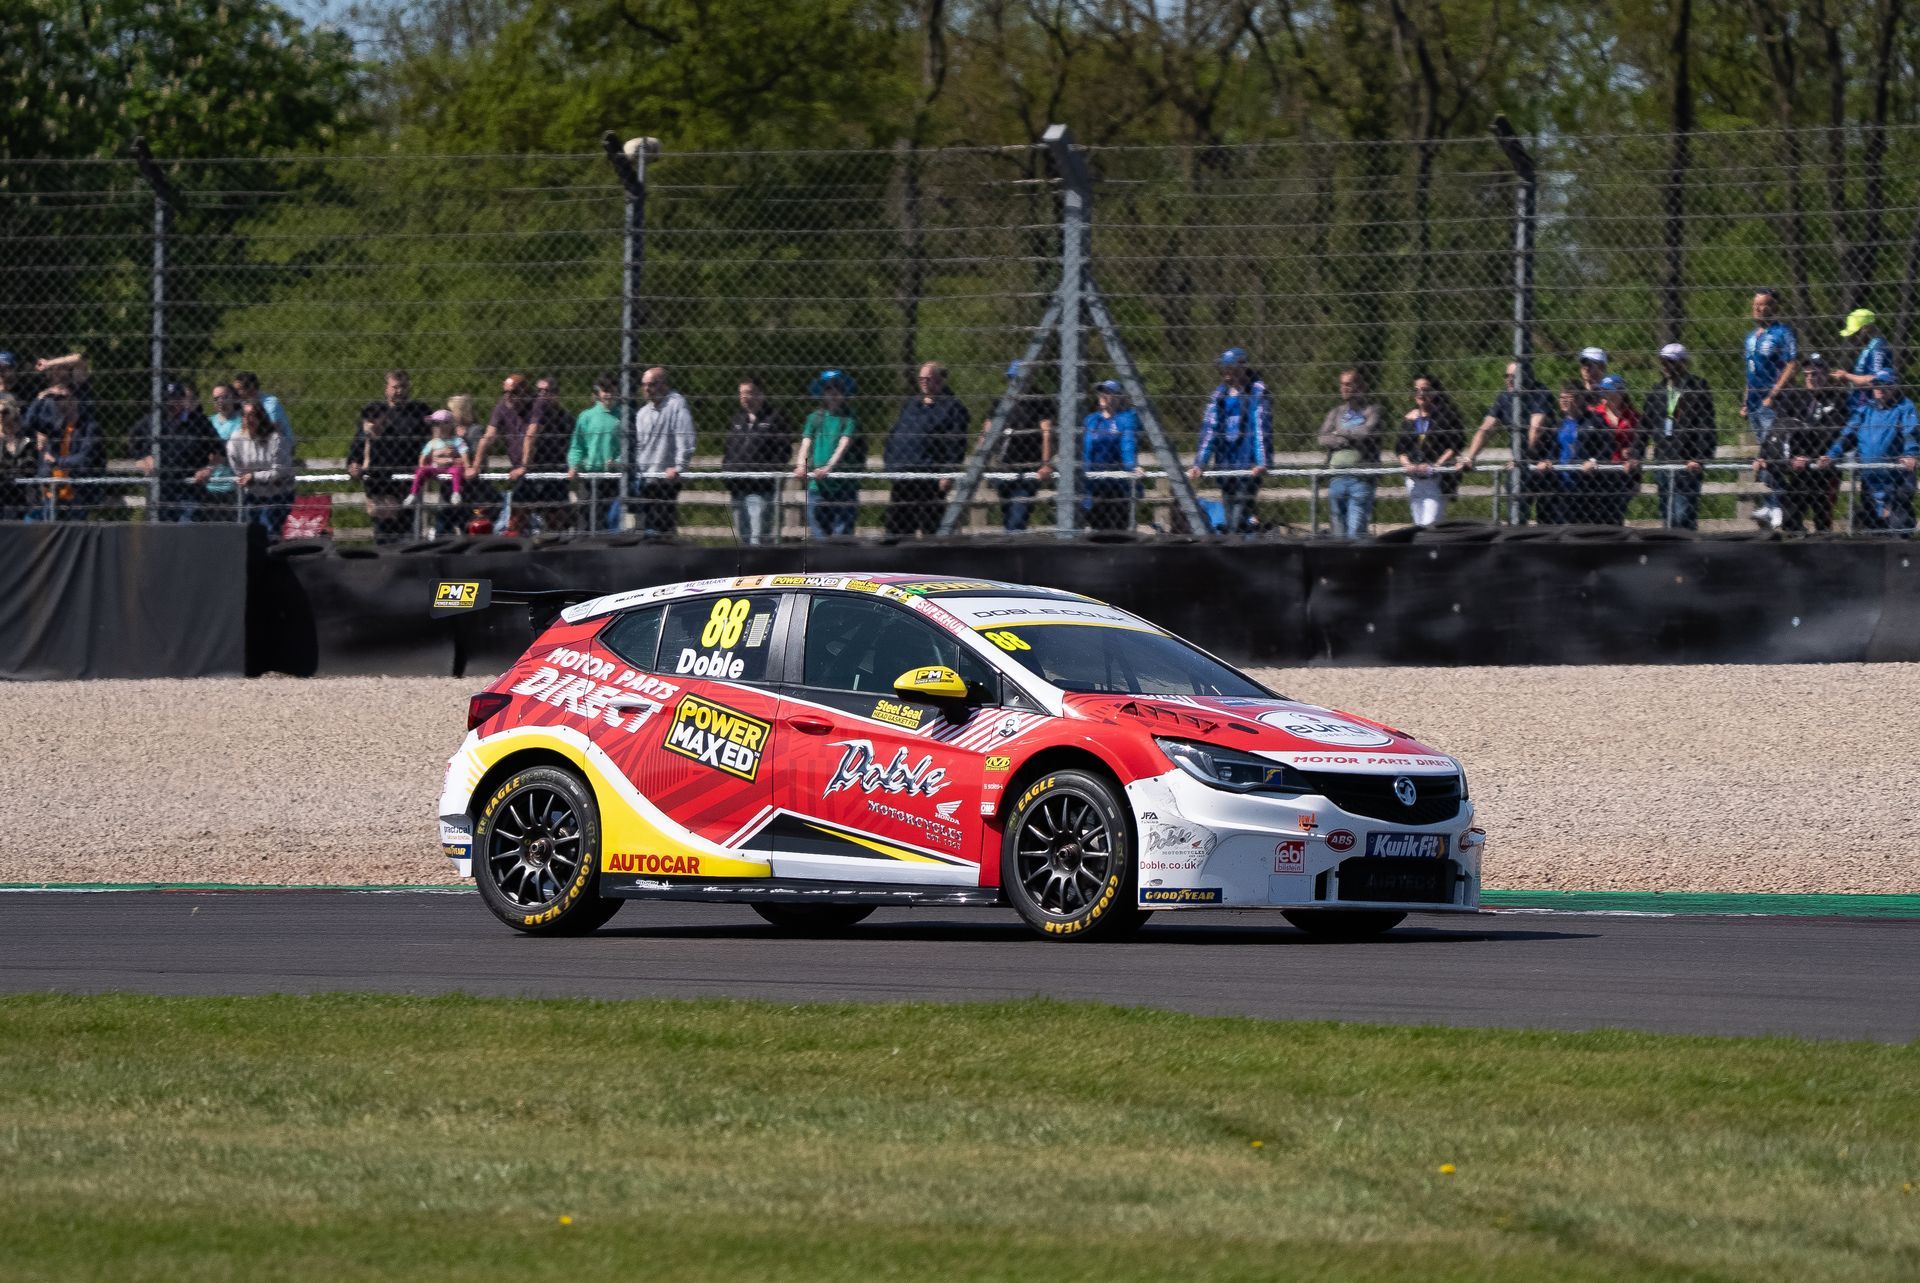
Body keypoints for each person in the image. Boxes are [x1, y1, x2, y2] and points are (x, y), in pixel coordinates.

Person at [1818, 369, 1918, 532]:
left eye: (1884, 385)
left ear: (1893, 386)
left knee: (1898, 527)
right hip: (1870, 479)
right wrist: (1831, 454)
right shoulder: (1866, 409)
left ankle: (1903, 543)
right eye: (1876, 384)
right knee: (1871, 531)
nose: (1879, 388)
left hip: (1897, 476)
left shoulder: (1904, 407)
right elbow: (1847, 434)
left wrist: (1910, 454)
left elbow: (1910, 432)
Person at [1188, 347, 1271, 534]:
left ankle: (1238, 550)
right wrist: (1200, 463)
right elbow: (1210, 431)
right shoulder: (1219, 396)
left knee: (1237, 521)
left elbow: (1261, 428)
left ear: (1242, 367)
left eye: (1230, 367)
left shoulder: (1256, 392)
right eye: (1223, 367)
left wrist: (1261, 462)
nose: (1226, 371)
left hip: (1248, 467)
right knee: (1231, 518)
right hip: (1225, 467)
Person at [883, 361, 968, 538]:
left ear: (939, 380)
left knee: (931, 525)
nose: (923, 382)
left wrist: (949, 471)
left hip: (929, 477)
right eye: (920, 378)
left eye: (928, 379)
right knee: (897, 526)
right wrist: (890, 461)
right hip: (903, 474)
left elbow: (956, 442)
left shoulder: (952, 407)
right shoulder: (912, 404)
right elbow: (895, 433)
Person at [346, 369, 432, 542]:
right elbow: (359, 443)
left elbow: (434, 438)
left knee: (409, 534)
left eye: (403, 387)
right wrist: (353, 463)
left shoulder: (420, 412)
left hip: (408, 480)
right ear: (386, 388)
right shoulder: (375, 412)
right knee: (383, 535)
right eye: (395, 387)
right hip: (380, 481)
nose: (399, 391)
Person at [1461, 361, 1553, 523]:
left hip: (1544, 462)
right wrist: (1470, 457)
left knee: (1548, 519)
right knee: (1515, 517)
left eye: (1514, 377)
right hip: (1519, 466)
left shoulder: (1540, 392)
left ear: (1526, 377)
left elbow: (1536, 428)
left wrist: (1521, 458)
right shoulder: (1504, 397)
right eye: (1507, 376)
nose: (1509, 380)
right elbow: (1487, 428)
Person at [1766, 354, 1849, 532]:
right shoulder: (1798, 398)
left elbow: (1831, 433)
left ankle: (1824, 546)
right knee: (1789, 515)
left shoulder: (1838, 399)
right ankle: (1798, 540)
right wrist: (1768, 455)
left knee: (1822, 517)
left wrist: (1809, 457)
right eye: (1807, 374)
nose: (1810, 378)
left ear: (1826, 374)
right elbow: (1780, 426)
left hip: (1824, 467)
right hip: (1800, 468)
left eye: (1815, 374)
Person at [1639, 343, 1717, 531]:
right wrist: (1635, 451)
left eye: (1671, 362)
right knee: (1667, 515)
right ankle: (1671, 551)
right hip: (1663, 460)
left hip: (1687, 462)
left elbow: (1706, 426)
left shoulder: (1697, 388)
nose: (1666, 366)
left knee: (1683, 515)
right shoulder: (1657, 391)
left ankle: (1687, 551)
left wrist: (1700, 456)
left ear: (1683, 363)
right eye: (1663, 362)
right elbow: (1644, 426)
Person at [131, 379, 223, 523]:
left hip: (190, 488)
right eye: (167, 399)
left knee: (186, 533)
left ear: (183, 399)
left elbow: (219, 451)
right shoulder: (153, 420)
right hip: (160, 489)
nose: (172, 403)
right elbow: (133, 440)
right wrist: (143, 459)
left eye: (177, 398)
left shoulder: (199, 422)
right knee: (158, 533)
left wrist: (208, 469)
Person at [1743, 289, 1798, 526]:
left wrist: (1774, 394)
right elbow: (1750, 371)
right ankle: (1772, 502)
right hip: (1754, 403)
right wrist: (1745, 401)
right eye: (1756, 304)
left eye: (1764, 304)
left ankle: (1777, 505)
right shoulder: (1750, 337)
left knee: (1772, 456)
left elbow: (1791, 364)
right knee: (1764, 458)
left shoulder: (1782, 333)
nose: (1758, 308)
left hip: (1772, 404)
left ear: (1774, 307)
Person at [721, 376, 794, 545]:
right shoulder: (738, 420)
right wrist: (727, 472)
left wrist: (766, 474)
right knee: (743, 537)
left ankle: (761, 569)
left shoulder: (774, 419)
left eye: (749, 393)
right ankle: (747, 570)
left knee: (758, 537)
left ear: (761, 395)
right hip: (737, 487)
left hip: (761, 489)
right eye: (741, 394)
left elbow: (784, 451)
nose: (745, 397)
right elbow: (728, 449)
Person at [794, 369, 862, 538]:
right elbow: (805, 444)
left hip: (843, 487)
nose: (833, 393)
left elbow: (843, 445)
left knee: (841, 535)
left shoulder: (849, 419)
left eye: (837, 389)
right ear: (823, 393)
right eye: (828, 389)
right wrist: (801, 465)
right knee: (819, 534)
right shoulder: (815, 418)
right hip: (818, 486)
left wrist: (828, 467)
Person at [630, 366, 695, 538]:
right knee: (643, 528)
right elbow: (638, 446)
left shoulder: (676, 405)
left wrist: (679, 467)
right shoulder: (642, 413)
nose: (646, 389)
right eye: (644, 385)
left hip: (666, 479)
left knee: (663, 528)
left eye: (651, 384)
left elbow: (685, 437)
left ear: (663, 384)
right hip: (645, 479)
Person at [1533, 382, 1610, 526]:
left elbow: (1607, 446)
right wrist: (1548, 460)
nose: (1563, 400)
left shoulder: (1595, 420)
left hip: (1585, 486)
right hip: (1561, 486)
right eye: (1561, 397)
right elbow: (1554, 449)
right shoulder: (1559, 423)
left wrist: (1594, 460)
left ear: (1580, 399)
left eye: (1568, 397)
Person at [1317, 368, 1381, 538]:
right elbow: (1322, 438)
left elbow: (1366, 432)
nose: (1344, 388)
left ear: (1360, 386)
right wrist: (1342, 440)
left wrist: (1340, 432)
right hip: (1336, 477)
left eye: (1348, 384)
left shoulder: (1371, 410)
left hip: (1360, 478)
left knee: (1355, 533)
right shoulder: (1336, 412)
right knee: (1338, 535)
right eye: (1342, 384)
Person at [1395, 375, 1466, 527]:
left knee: (1431, 525)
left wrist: (1436, 465)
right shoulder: (1410, 418)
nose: (1420, 394)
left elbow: (1455, 444)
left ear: (1434, 392)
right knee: (1418, 525)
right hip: (1414, 478)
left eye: (1425, 390)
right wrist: (1407, 465)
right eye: (1416, 390)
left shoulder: (1446, 416)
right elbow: (1400, 448)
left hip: (1436, 479)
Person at [30, 379, 100, 521]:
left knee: (75, 537)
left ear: (75, 400)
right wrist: (40, 397)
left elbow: (85, 458)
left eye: (63, 397)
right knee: (50, 536)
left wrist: (57, 461)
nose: (58, 402)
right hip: (52, 491)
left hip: (77, 493)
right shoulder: (55, 425)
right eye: (56, 399)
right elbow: (30, 421)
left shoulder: (89, 427)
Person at [227, 397, 294, 540]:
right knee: (251, 532)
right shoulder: (236, 440)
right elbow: (238, 469)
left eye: (253, 415)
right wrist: (251, 478)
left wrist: (254, 477)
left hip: (279, 492)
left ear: (261, 417)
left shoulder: (275, 439)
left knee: (269, 530)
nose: (249, 419)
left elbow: (279, 471)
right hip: (253, 493)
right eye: (245, 416)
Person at [1081, 379, 1141, 532]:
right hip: (1094, 484)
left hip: (1118, 485)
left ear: (1119, 397)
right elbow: (1086, 451)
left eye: (1109, 392)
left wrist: (1132, 467)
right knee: (1097, 529)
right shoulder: (1091, 420)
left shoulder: (1126, 418)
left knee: (1117, 530)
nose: (1103, 395)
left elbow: (1128, 445)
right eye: (1102, 392)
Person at [566, 376, 623, 531]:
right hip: (587, 478)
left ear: (618, 391)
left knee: (607, 523)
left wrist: (618, 461)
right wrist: (574, 465)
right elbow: (577, 446)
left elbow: (630, 448)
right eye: (605, 391)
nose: (608, 394)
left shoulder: (624, 417)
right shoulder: (586, 416)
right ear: (599, 392)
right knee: (584, 521)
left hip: (611, 480)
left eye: (611, 390)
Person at [1586, 375, 1644, 525]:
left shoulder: (1633, 417)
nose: (1604, 395)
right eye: (1603, 391)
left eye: (1608, 391)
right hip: (1598, 470)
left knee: (1615, 514)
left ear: (1621, 392)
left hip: (1621, 473)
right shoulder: (1594, 413)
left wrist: (1637, 478)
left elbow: (1639, 446)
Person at [403, 410, 467, 508]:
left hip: (451, 467)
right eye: (433, 424)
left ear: (448, 425)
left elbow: (464, 455)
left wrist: (454, 460)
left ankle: (456, 493)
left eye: (437, 424)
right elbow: (423, 457)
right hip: (435, 468)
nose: (434, 427)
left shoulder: (457, 441)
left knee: (457, 470)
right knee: (420, 470)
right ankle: (413, 494)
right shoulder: (433, 442)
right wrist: (425, 464)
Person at [1834, 308, 1895, 410]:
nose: (1851, 337)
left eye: (1855, 333)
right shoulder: (1867, 347)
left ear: (1866, 328)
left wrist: (1847, 375)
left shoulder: (1877, 347)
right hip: (1858, 405)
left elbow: (1875, 381)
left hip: (1869, 407)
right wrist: (1846, 379)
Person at [230, 370, 292, 454]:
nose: (234, 393)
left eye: (238, 390)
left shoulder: (270, 402)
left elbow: (273, 428)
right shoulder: (242, 403)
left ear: (250, 388)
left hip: (277, 447)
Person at [0, 399, 36, 520]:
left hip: (20, 494)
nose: (1, 416)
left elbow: (29, 467)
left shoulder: (25, 441)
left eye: (4, 412)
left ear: (13, 414)